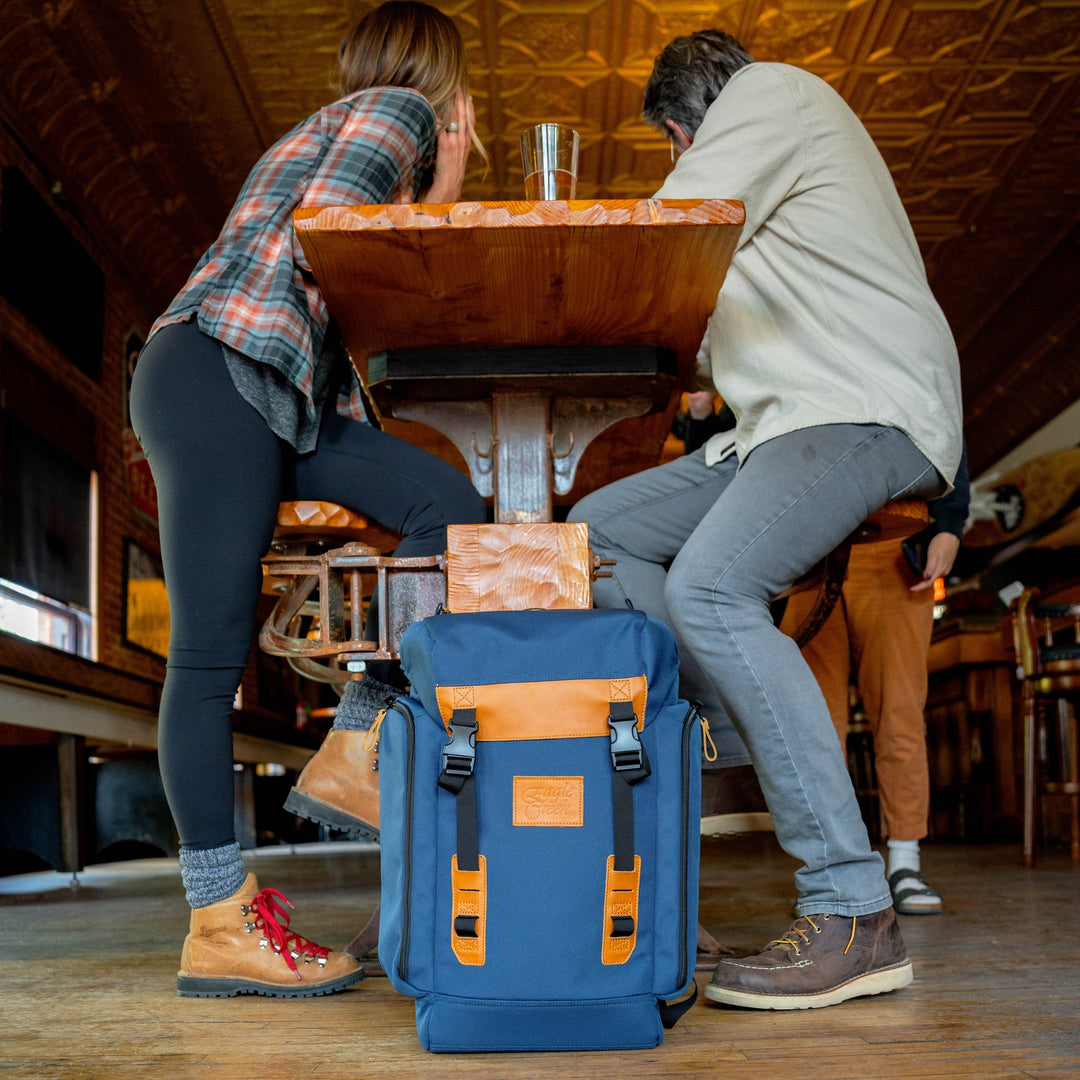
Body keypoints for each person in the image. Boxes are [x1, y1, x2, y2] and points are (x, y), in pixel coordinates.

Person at [568, 29, 963, 1010]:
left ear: (678, 127)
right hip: (783, 426)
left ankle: (853, 909)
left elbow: (666, 237)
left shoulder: (773, 92)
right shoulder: (780, 176)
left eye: (675, 148)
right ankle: (734, 721)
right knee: (597, 530)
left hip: (862, 410)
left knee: (710, 584)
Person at [129, 0, 487, 999]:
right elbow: (329, 235)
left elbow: (324, 264)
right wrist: (444, 166)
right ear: (443, 81)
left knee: (447, 506)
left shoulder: (335, 125)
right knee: (208, 652)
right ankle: (219, 920)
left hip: (260, 394)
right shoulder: (394, 111)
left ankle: (356, 746)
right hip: (216, 372)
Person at [780, 450, 970, 915]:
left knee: (899, 711)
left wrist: (949, 522)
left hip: (896, 540)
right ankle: (828, 871)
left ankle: (905, 860)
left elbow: (943, 429)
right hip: (809, 548)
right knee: (812, 726)